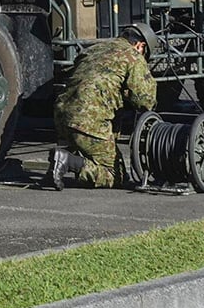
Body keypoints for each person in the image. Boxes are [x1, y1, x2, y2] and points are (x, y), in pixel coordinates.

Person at [47, 23, 159, 190]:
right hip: (88, 121)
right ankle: (67, 161)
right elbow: (145, 100)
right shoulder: (133, 56)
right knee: (116, 174)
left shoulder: (95, 48)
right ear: (140, 45)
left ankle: (61, 161)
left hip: (62, 114)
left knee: (91, 151)